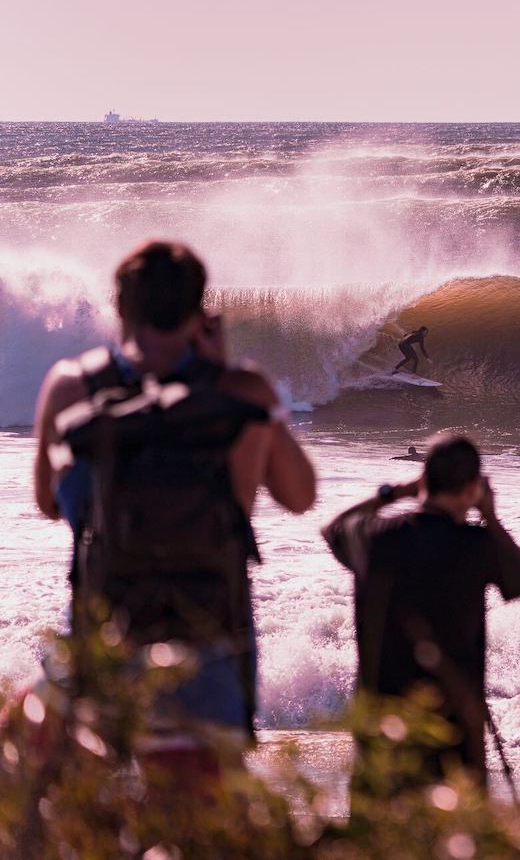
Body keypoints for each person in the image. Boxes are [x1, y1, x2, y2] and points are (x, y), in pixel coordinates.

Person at [31, 240, 317, 781]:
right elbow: (299, 496)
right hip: (208, 640)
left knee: (86, 820)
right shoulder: (239, 389)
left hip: (106, 635)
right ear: (199, 309)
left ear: (120, 307)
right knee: (197, 830)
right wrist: (224, 381)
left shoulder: (72, 387)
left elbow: (49, 503)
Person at [322, 433, 520, 795]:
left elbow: (333, 529)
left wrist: (394, 493)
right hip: (453, 727)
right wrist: (490, 516)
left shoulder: (377, 537)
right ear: (473, 488)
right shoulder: (477, 546)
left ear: (424, 480)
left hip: (380, 724)